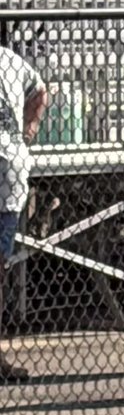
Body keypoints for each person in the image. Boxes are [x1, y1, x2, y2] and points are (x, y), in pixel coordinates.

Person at [0, 47, 47, 384]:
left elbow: (40, 90)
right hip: (10, 171)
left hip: (8, 172)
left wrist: (29, 127)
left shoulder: (11, 60)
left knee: (1, 263)